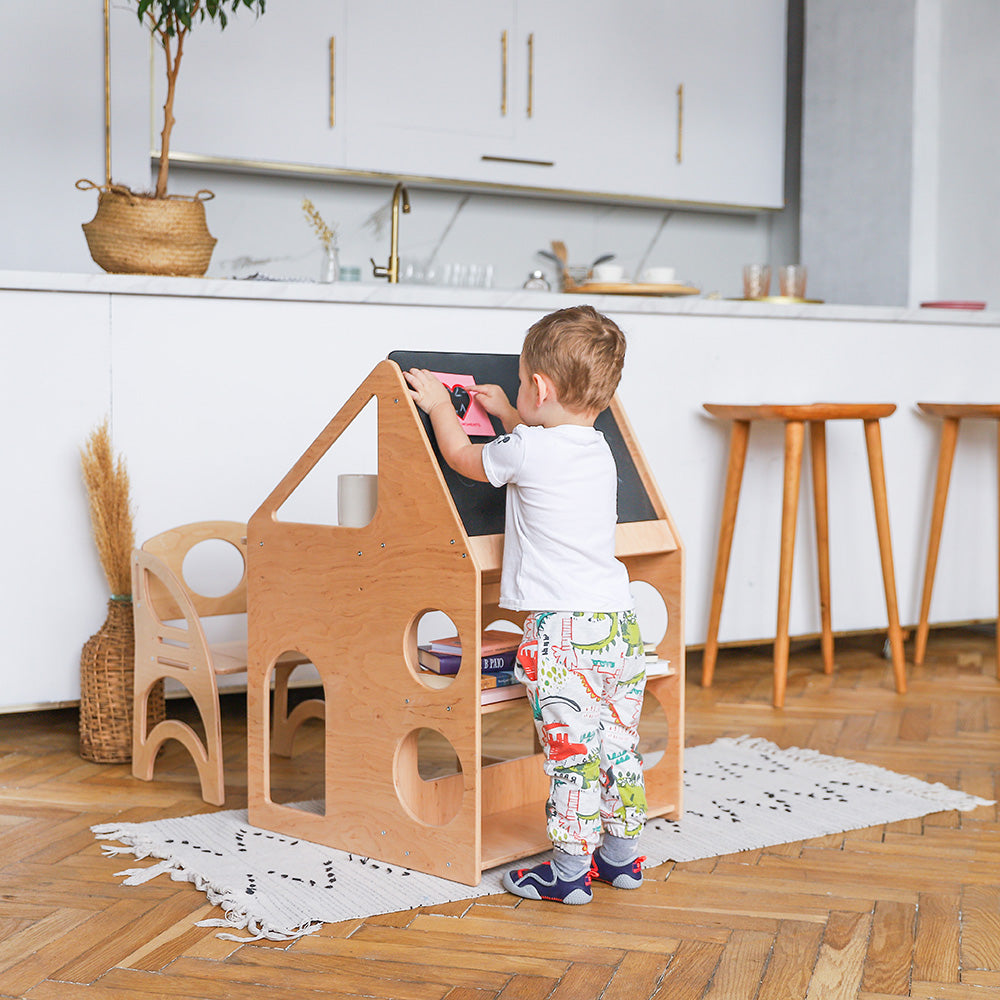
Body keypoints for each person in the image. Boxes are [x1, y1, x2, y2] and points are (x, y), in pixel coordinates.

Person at [403, 304, 647, 905]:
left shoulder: (526, 452)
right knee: (616, 746)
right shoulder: (595, 449)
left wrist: (440, 406)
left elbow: (467, 459)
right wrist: (511, 413)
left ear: (539, 386)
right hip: (618, 627)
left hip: (563, 632)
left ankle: (567, 872)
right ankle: (621, 858)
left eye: (519, 383)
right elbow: (539, 437)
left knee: (570, 756)